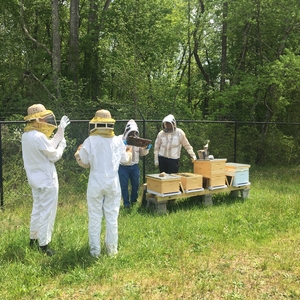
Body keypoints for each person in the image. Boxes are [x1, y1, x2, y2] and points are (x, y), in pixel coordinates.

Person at [74, 109, 130, 258]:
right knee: (112, 217)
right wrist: (129, 151)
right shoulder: (118, 141)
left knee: (95, 217)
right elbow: (126, 160)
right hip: (112, 182)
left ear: (96, 123)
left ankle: (95, 252)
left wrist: (78, 153)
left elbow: (84, 162)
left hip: (96, 182)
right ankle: (112, 251)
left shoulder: (90, 140)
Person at [22, 104, 70, 256]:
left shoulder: (27, 136)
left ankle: (33, 239)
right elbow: (54, 155)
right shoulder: (38, 136)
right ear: (37, 119)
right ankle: (44, 245)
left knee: (37, 209)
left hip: (34, 179)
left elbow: (48, 146)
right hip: (47, 181)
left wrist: (61, 130)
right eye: (44, 118)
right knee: (47, 212)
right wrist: (62, 145)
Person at [118, 120, 151, 208]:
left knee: (135, 184)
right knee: (123, 185)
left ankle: (133, 201)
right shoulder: (119, 139)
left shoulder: (138, 141)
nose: (133, 134)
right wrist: (121, 145)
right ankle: (126, 203)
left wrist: (146, 148)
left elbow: (142, 153)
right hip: (123, 166)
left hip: (134, 166)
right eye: (131, 132)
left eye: (134, 132)